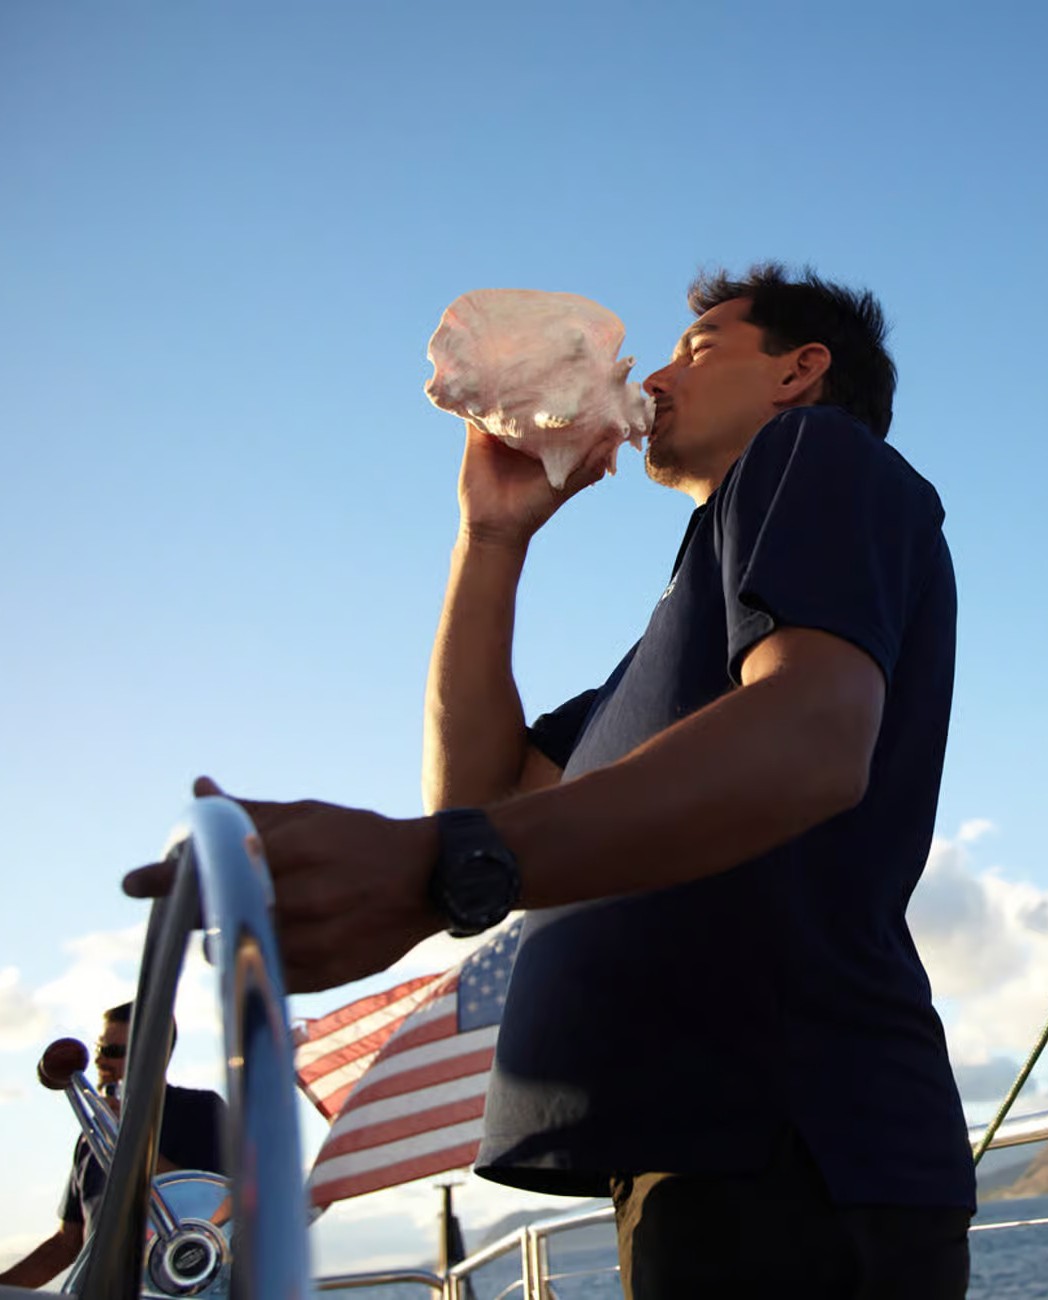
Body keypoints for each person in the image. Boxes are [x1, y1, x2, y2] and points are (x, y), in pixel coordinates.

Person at [125, 263, 976, 1297]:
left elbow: (812, 734)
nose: (656, 376)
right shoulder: (670, 649)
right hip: (704, 1152)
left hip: (790, 1137)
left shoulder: (815, 451)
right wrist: (490, 538)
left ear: (800, 372)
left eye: (697, 350)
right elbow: (481, 794)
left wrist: (444, 867)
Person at [0, 1003, 226, 1290]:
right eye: (98, 1049)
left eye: (114, 1052)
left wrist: (127, 1138)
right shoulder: (90, 1139)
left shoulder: (201, 1112)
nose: (99, 1061)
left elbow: (222, 1204)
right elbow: (68, 1243)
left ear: (154, 1058)